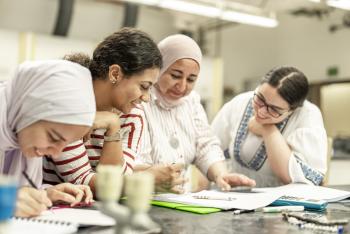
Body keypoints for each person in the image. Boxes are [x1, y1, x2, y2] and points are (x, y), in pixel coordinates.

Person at [42, 28, 162, 194]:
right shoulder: (69, 101)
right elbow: (85, 181)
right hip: (49, 210)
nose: (146, 98)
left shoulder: (133, 115)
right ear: (115, 73)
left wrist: (113, 125)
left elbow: (116, 178)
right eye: (144, 86)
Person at [135, 34, 255, 193]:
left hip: (179, 200)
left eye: (191, 79)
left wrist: (221, 175)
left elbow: (205, 145)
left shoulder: (191, 102)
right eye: (175, 76)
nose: (182, 86)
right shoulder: (139, 100)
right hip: (142, 196)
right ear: (158, 69)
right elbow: (131, 160)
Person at [0, 60, 96, 217]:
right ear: (27, 110)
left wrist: (45, 194)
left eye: (65, 144)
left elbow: (17, 192)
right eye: (53, 137)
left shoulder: (20, 131)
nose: (56, 153)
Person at [212, 66, 327, 187]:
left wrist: (268, 130)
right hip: (235, 194)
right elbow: (210, 148)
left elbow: (291, 177)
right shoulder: (240, 102)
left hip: (282, 202)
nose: (261, 111)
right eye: (260, 98)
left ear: (292, 110)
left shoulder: (307, 116)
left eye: (274, 109)